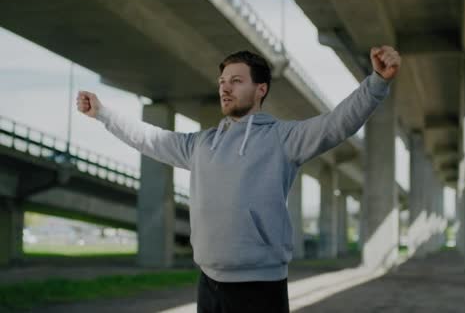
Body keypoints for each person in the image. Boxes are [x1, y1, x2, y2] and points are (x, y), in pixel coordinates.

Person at [77, 45, 401, 313]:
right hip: (208, 284)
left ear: (260, 89)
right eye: (221, 81)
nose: (224, 87)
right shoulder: (201, 144)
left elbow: (336, 124)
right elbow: (150, 138)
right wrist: (104, 114)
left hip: (260, 288)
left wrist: (376, 83)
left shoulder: (283, 138)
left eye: (236, 80)